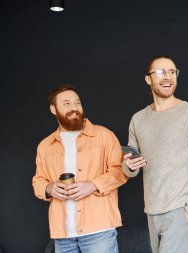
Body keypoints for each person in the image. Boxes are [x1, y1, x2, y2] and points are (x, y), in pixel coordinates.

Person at [122, 55, 188, 253]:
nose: (168, 77)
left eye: (172, 72)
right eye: (160, 72)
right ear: (148, 79)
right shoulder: (138, 119)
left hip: (179, 211)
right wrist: (128, 166)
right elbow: (130, 168)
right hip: (151, 211)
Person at [33, 85, 127, 253]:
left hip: (99, 231)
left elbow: (120, 171)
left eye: (77, 102)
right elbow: (38, 181)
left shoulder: (105, 135)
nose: (74, 107)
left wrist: (93, 185)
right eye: (67, 103)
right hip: (62, 235)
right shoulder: (45, 146)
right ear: (53, 109)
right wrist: (49, 188)